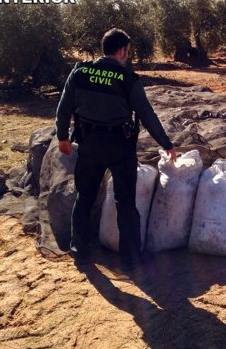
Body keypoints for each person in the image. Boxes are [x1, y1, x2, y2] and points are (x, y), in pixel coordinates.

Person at [55, 28, 176, 264]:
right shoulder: (127, 79)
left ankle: (79, 251)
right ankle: (129, 259)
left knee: (85, 197)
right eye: (128, 52)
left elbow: (63, 107)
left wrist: (62, 136)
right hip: (119, 147)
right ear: (122, 50)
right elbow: (147, 115)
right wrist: (166, 144)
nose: (127, 56)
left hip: (88, 144)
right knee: (125, 203)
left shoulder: (79, 71)